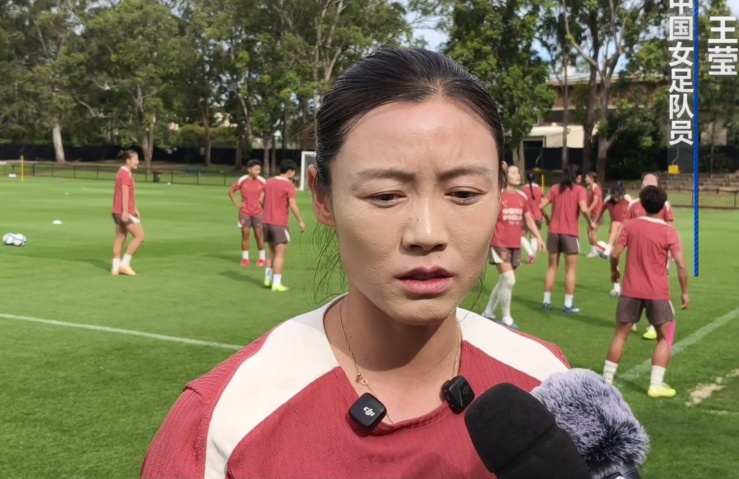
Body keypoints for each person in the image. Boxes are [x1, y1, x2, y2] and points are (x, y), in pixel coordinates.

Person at [141, 48, 571, 479]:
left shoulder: (547, 380)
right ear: (323, 198)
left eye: (463, 193)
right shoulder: (224, 424)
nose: (426, 233)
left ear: (500, 191)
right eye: (385, 195)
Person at [603, 186, 689, 399]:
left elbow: (615, 253)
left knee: (620, 335)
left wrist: (614, 272)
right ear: (663, 207)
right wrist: (685, 292)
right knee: (664, 338)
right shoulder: (669, 232)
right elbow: (680, 264)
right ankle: (655, 385)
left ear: (641, 204)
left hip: (630, 289)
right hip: (657, 292)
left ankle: (606, 380)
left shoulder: (631, 225)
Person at [483, 165, 546, 329]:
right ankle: (506, 318)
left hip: (515, 244)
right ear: (505, 176)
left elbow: (529, 220)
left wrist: (539, 238)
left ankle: (488, 312)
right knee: (509, 280)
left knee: (505, 281)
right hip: (499, 243)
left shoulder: (522, 196)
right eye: (514, 173)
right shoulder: (498, 196)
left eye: (518, 172)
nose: (518, 175)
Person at [540, 164, 595, 314]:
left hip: (553, 232)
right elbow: (583, 209)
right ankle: (568, 304)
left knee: (552, 268)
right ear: (577, 177)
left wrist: (548, 219)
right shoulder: (579, 190)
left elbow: (541, 206)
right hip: (570, 233)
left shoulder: (555, 188)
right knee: (571, 269)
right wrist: (590, 223)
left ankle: (546, 301)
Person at [626, 173, 675, 340]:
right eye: (646, 184)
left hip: (658, 255)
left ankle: (655, 325)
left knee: (658, 286)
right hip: (637, 255)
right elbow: (627, 228)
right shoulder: (633, 205)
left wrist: (670, 251)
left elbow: (669, 226)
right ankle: (632, 319)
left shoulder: (664, 204)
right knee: (635, 284)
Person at [261, 159, 306, 291]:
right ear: (290, 172)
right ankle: (276, 283)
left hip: (266, 222)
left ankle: (267, 279)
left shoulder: (268, 182)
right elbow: (293, 205)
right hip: (280, 223)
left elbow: (260, 200)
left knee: (271, 252)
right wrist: (301, 221)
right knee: (280, 254)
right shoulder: (288, 186)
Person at [112, 150, 145, 276]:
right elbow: (125, 194)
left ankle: (115, 268)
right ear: (127, 161)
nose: (137, 162)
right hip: (124, 212)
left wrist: (135, 208)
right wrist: (126, 211)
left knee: (120, 238)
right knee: (140, 236)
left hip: (117, 211)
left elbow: (128, 195)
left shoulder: (121, 172)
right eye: (135, 159)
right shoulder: (126, 174)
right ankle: (125, 265)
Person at [229, 160, 267, 267]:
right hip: (245, 212)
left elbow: (267, 195)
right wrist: (237, 204)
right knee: (245, 235)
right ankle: (245, 259)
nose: (258, 172)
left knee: (259, 235)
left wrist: (264, 206)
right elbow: (231, 191)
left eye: (259, 170)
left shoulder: (262, 181)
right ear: (249, 170)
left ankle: (262, 258)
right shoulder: (242, 180)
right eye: (256, 169)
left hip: (258, 213)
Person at [599, 181, 632, 297]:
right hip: (615, 233)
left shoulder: (629, 201)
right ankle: (616, 287)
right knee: (615, 259)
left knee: (616, 224)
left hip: (627, 231)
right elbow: (599, 214)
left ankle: (608, 248)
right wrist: (593, 224)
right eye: (614, 195)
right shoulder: (608, 201)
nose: (616, 198)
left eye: (618, 195)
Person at [521, 169, 544, 264]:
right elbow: (542, 203)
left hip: (527, 217)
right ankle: (532, 254)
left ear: (526, 178)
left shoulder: (523, 190)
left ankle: (530, 253)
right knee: (534, 236)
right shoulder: (539, 189)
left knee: (521, 236)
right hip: (538, 215)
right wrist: (544, 215)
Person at [585, 172, 604, 258]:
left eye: (587, 177)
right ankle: (594, 251)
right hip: (591, 215)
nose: (585, 179)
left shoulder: (596, 189)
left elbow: (595, 202)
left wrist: (588, 210)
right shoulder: (589, 188)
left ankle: (603, 250)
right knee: (589, 233)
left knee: (591, 233)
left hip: (597, 215)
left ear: (592, 179)